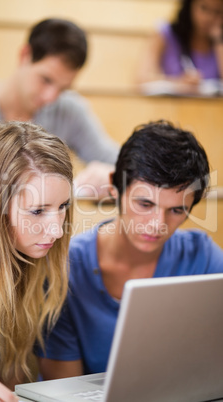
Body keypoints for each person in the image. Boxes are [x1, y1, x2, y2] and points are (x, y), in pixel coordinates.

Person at [35, 120, 223, 379]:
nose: (158, 225)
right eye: (145, 204)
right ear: (115, 187)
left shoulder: (202, 257)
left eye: (176, 210)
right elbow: (62, 390)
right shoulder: (65, 271)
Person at [0, 121, 73, 401]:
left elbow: (12, 376)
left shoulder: (32, 254)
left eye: (63, 207)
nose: (57, 231)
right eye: (37, 211)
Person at [0, 18, 119, 196]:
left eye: (63, 89)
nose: (51, 97)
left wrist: (112, 176)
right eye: (46, 80)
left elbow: (121, 161)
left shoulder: (69, 110)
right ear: (25, 55)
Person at [137, 0, 223, 87]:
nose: (209, 17)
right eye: (204, 8)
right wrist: (177, 83)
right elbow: (141, 80)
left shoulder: (218, 42)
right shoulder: (165, 34)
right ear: (190, 5)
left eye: (217, 12)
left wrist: (219, 41)